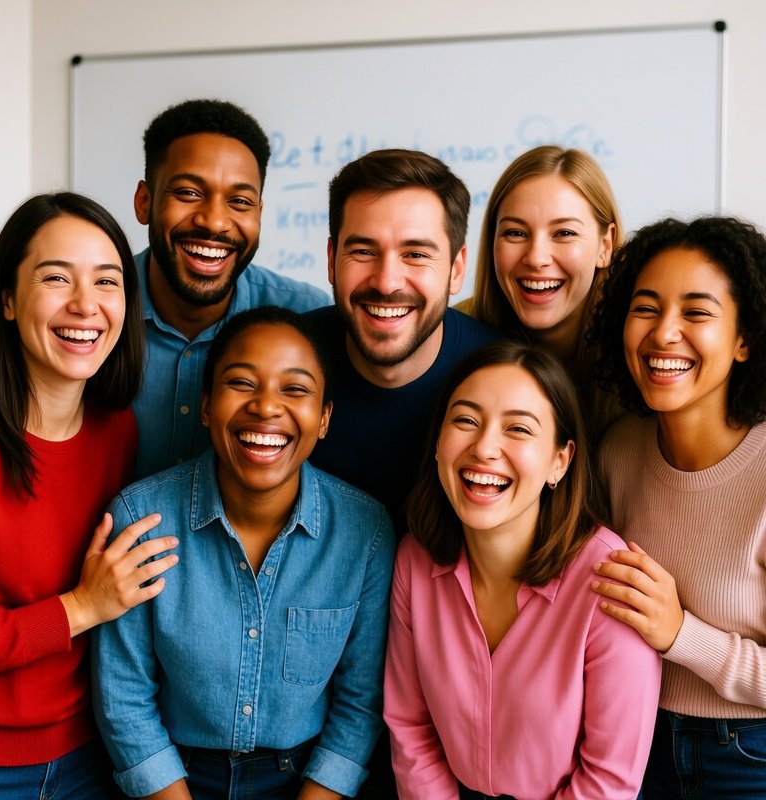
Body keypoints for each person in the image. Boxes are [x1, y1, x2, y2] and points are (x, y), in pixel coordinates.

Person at [93, 306, 395, 800]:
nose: (266, 407)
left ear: (323, 419)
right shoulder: (140, 517)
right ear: (207, 405)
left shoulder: (366, 533)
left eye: (295, 389)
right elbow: (123, 698)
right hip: (174, 779)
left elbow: (360, 705)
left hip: (305, 781)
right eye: (241, 383)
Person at [0, 193, 178, 798]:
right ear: (7, 299)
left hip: (89, 757)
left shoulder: (116, 431)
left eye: (107, 281)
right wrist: (82, 607)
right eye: (56, 278)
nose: (86, 304)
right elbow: (91, 604)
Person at [384, 341, 661, 800]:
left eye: (518, 429)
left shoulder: (609, 580)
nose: (485, 447)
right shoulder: (415, 560)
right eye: (466, 420)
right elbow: (410, 727)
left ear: (560, 460)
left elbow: (610, 780)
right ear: (437, 443)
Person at [590, 216, 766, 798]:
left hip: (750, 755)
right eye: (646, 308)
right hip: (631, 743)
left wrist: (681, 634)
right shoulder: (617, 452)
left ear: (744, 339)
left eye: (696, 312)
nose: (664, 333)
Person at [131, 98, 329, 479]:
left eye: (240, 201)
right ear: (144, 202)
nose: (215, 222)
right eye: (188, 193)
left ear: (259, 213)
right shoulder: (94, 313)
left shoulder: (307, 319)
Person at [307, 148, 498, 527]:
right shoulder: (287, 363)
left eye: (415, 254)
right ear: (331, 260)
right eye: (363, 251)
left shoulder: (505, 375)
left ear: (456, 269)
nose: (386, 282)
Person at [457, 145, 623, 440]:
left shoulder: (638, 350)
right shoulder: (451, 338)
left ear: (605, 245)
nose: (536, 258)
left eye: (564, 233)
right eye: (516, 233)